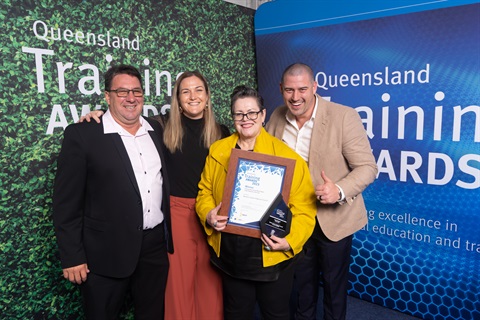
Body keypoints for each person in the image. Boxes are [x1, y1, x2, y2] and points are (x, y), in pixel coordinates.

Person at [81, 71, 229, 320]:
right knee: (178, 289)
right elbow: (123, 119)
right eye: (185, 91)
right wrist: (95, 116)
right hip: (177, 216)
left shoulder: (223, 131)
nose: (193, 96)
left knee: (210, 284)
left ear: (207, 96)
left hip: (214, 216)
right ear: (177, 99)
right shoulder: (160, 126)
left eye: (198, 90)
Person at [53, 64, 173, 319]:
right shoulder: (83, 134)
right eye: (122, 92)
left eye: (137, 92)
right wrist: (72, 256)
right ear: (107, 96)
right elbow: (66, 203)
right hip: (104, 253)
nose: (131, 98)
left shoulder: (157, 131)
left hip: (153, 248)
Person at [266, 63, 378, 320]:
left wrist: (338, 190)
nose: (296, 97)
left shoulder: (343, 116)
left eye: (303, 89)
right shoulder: (275, 117)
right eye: (290, 90)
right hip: (296, 218)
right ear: (281, 89)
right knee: (301, 287)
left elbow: (367, 168)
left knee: (333, 288)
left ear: (315, 87)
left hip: (334, 219)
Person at [195, 85, 317, 320]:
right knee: (236, 312)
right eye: (239, 114)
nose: (246, 119)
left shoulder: (287, 157)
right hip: (231, 251)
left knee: (276, 313)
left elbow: (304, 209)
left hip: (270, 252)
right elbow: (204, 192)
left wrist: (289, 242)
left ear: (262, 115)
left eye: (252, 113)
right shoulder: (218, 150)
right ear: (233, 118)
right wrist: (208, 215)